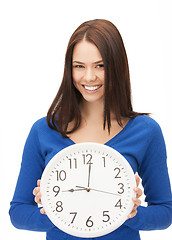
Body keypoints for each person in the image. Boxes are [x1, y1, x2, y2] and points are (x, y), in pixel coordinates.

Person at [9, 19, 172, 240]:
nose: (89, 77)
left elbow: (165, 211)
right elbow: (18, 212)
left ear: (117, 66)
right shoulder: (44, 130)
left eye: (100, 65)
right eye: (79, 66)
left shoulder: (147, 131)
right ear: (69, 69)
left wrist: (131, 214)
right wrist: (55, 211)